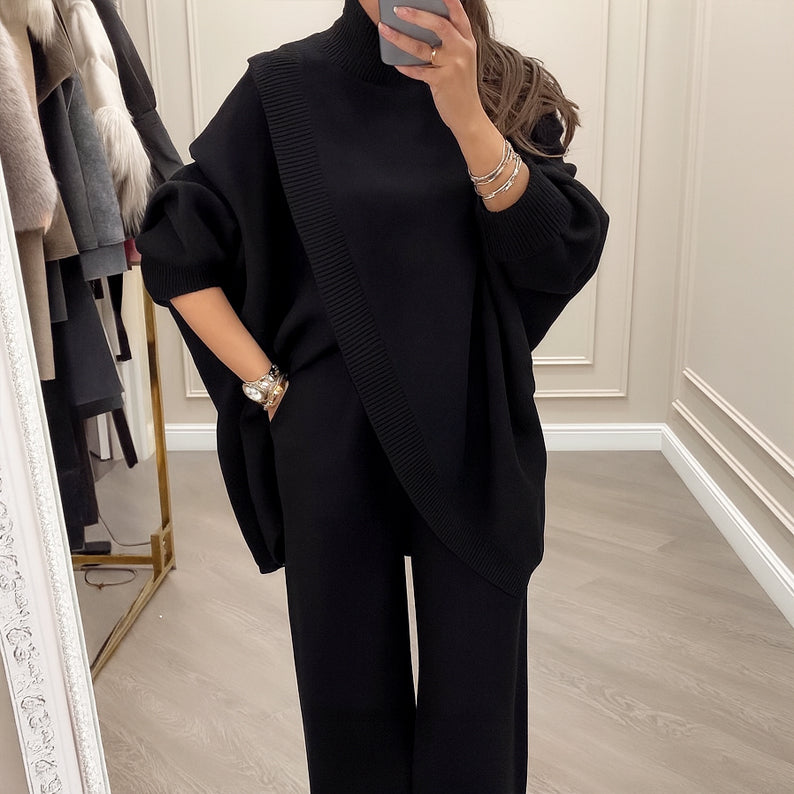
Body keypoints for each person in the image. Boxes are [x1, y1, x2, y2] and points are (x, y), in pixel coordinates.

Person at [136, 0, 609, 791]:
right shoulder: (282, 90)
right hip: (329, 442)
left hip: (474, 433)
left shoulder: (508, 87)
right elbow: (176, 246)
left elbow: (555, 256)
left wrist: (466, 116)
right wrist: (267, 386)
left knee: (477, 717)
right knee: (348, 710)